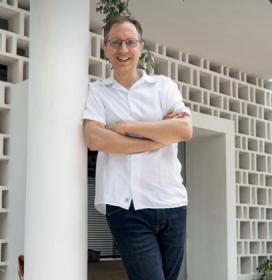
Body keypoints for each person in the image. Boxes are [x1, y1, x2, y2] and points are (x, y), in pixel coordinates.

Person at [82, 16, 192, 280]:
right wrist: (159, 136)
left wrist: (124, 126)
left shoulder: (163, 86)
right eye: (116, 42)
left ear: (141, 47)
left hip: (171, 203)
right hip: (124, 205)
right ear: (104, 48)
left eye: (130, 42)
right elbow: (96, 140)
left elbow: (184, 130)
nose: (123, 49)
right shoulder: (96, 92)